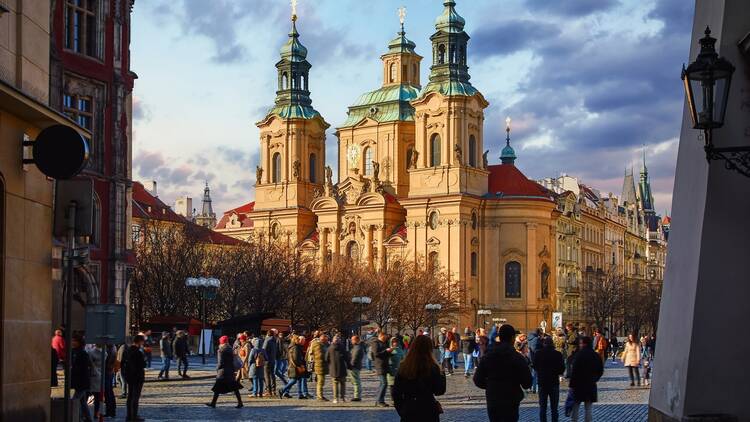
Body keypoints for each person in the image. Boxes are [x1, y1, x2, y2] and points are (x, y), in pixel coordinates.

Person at [473, 324, 532, 422]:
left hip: (493, 398)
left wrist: (490, 385)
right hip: (511, 399)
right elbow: (527, 383)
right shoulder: (517, 358)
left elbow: (477, 379)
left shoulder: (488, 356)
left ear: (499, 337)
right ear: (513, 338)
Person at [392, 335, 446, 422]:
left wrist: (402, 410)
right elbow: (439, 390)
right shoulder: (433, 367)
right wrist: (442, 373)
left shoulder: (404, 367)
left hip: (409, 409)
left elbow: (396, 393)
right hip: (428, 409)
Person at [569, 336, 604, 422]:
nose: (580, 345)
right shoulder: (595, 355)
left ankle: (574, 421)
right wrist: (595, 378)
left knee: (576, 406)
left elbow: (574, 371)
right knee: (588, 408)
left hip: (578, 385)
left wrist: (571, 385)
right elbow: (600, 370)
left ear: (583, 344)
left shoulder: (579, 355)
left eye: (581, 343)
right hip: (590, 384)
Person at [206, 335, 243, 408]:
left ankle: (213, 403)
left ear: (221, 342)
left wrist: (217, 369)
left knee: (217, 387)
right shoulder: (230, 349)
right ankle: (240, 402)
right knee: (234, 387)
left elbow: (220, 362)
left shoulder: (221, 350)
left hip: (223, 372)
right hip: (230, 371)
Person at [533, 337, 565, 422]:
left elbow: (535, 366)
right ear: (552, 344)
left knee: (542, 408)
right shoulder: (557, 354)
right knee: (554, 408)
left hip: (542, 382)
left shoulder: (538, 354)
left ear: (544, 344)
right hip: (554, 382)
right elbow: (562, 369)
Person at [123, 334, 146, 422]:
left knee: (130, 396)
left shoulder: (128, 350)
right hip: (137, 377)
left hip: (129, 376)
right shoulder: (138, 352)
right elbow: (142, 365)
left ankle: (129, 415)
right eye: (142, 341)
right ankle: (134, 416)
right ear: (139, 342)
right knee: (135, 397)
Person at [279, 334, 308, 399]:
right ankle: (283, 390)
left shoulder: (292, 346)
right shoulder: (295, 347)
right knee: (293, 380)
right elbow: (295, 358)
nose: (299, 340)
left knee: (298, 380)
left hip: (292, 365)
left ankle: (300, 394)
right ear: (295, 340)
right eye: (298, 339)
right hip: (295, 366)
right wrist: (300, 365)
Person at [70, 334, 92, 422]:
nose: (73, 342)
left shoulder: (83, 353)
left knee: (75, 401)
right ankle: (88, 419)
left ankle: (77, 418)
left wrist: (72, 368)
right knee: (82, 402)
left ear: (79, 343)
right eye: (72, 341)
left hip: (82, 382)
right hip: (78, 381)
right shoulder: (73, 351)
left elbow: (83, 368)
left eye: (75, 341)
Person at [326, 334, 350, 404]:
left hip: (333, 369)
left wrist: (330, 364)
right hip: (342, 368)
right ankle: (342, 398)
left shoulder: (330, 348)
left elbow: (326, 358)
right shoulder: (342, 347)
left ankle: (335, 398)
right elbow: (347, 358)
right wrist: (349, 365)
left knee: (335, 384)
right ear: (339, 341)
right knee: (342, 384)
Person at [373, 331, 392, 407]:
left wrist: (390, 352)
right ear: (381, 336)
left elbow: (386, 354)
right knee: (384, 383)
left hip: (385, 365)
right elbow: (376, 354)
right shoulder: (376, 343)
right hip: (379, 365)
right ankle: (380, 400)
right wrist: (386, 351)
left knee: (382, 383)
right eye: (385, 337)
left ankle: (379, 400)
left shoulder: (385, 343)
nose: (386, 338)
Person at [86, 343, 104, 419]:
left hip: (93, 376)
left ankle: (87, 414)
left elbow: (89, 364)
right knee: (97, 397)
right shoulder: (104, 353)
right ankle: (95, 413)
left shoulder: (90, 352)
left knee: (87, 395)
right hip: (98, 376)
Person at [263, 329, 280, 397]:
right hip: (272, 360)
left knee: (267, 376)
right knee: (272, 375)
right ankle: (273, 390)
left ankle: (268, 390)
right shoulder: (275, 340)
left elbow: (264, 350)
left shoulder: (267, 340)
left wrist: (264, 358)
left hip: (267, 361)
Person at [349, 335, 365, 402]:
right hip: (356, 366)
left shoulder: (357, 348)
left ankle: (357, 396)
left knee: (356, 381)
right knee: (355, 381)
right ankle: (357, 395)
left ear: (356, 340)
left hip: (354, 366)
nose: (351, 341)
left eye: (352, 340)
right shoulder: (357, 347)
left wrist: (350, 365)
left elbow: (354, 358)